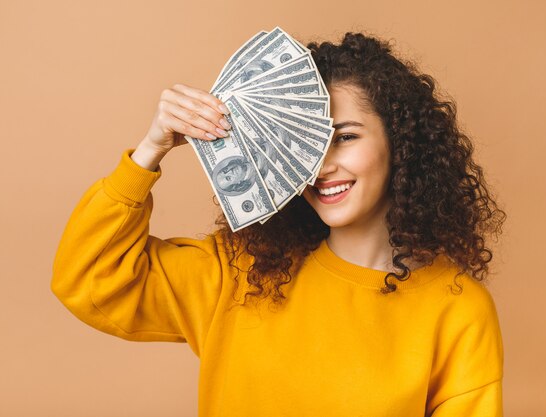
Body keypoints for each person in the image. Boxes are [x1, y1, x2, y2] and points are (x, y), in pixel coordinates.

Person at [51, 32, 507, 416]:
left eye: (345, 137)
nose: (322, 166)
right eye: (307, 143)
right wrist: (150, 151)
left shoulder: (457, 309)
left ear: (401, 144)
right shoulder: (241, 270)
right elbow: (89, 278)